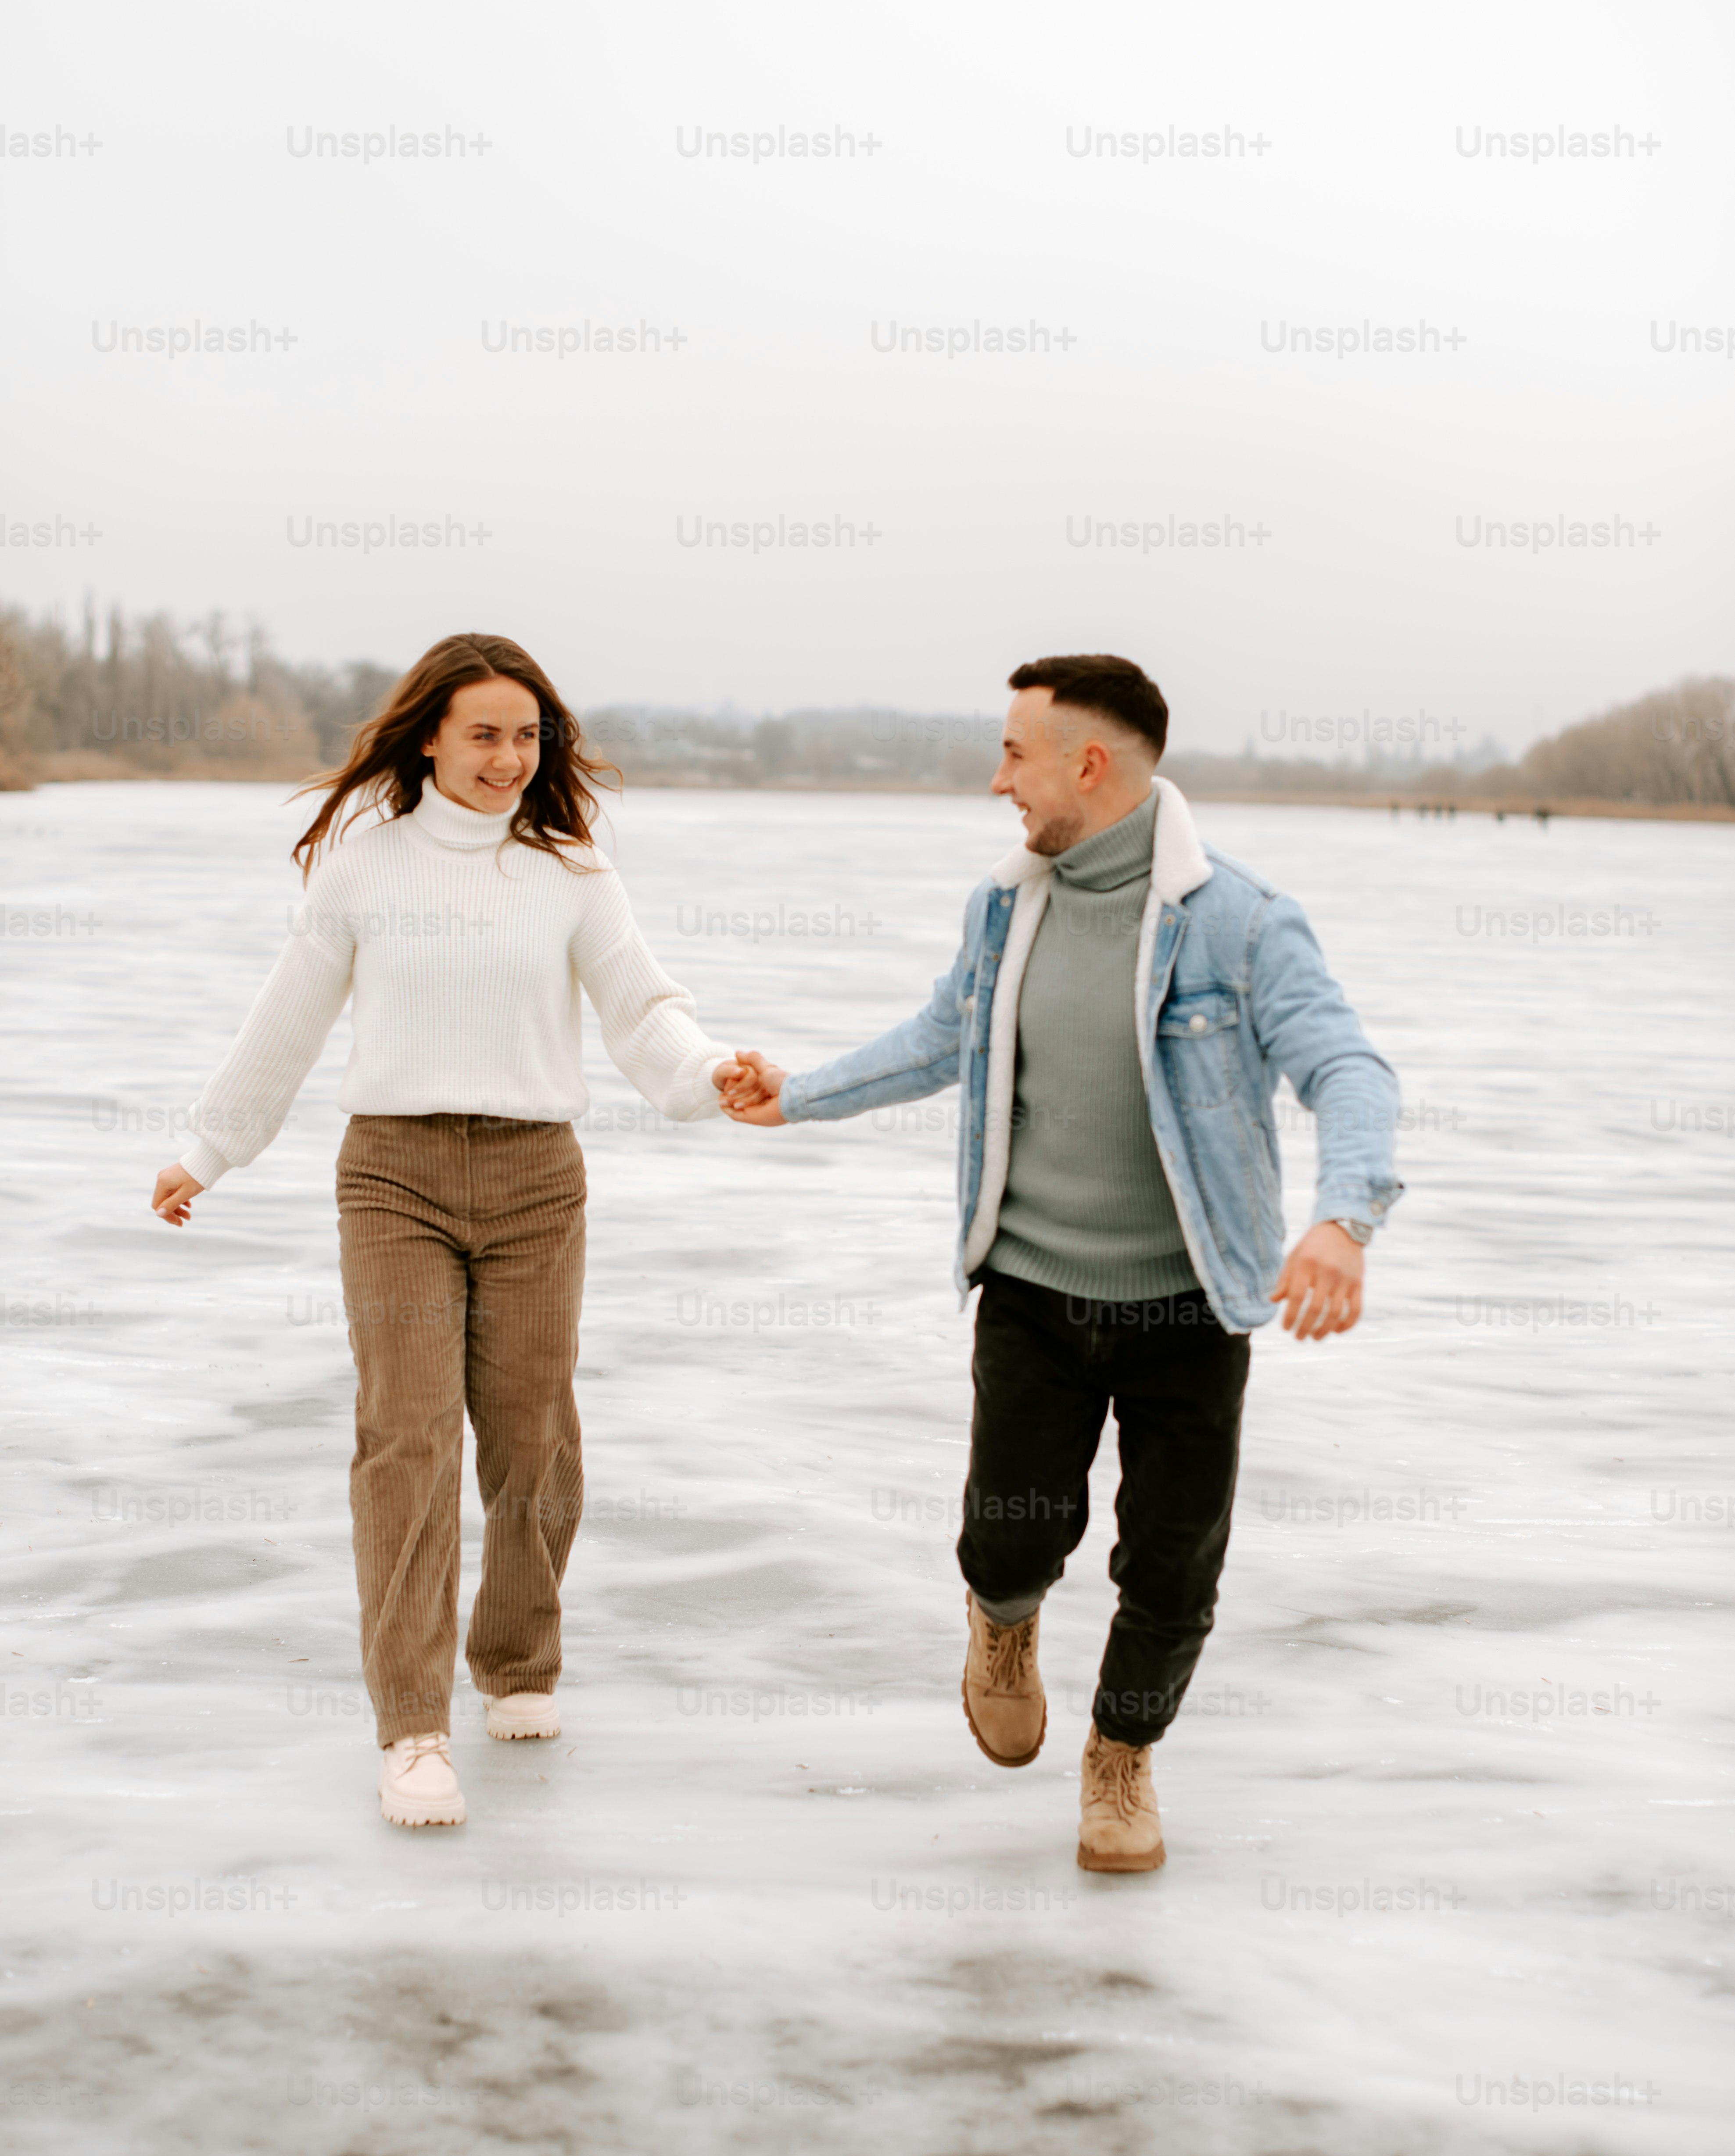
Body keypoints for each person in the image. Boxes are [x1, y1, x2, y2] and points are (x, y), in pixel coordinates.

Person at [719, 654, 1402, 1876]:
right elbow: (945, 1034)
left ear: (1088, 763)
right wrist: (800, 1095)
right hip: (1031, 1290)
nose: (997, 781)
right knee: (1005, 1535)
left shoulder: (1239, 921)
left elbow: (1347, 1070)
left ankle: (1120, 1757)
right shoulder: (1003, 905)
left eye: (1013, 755)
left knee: (1171, 1562)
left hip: (1192, 1305)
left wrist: (1342, 1218)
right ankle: (1002, 1623)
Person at [153, 634, 746, 1829]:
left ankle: (517, 1662)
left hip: (537, 1178)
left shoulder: (570, 868)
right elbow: (289, 1020)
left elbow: (641, 1007)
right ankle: (412, 1724)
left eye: (525, 736)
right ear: (429, 734)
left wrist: (710, 1074)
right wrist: (208, 1149)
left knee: (534, 1438)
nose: (507, 757)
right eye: (483, 732)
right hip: (395, 1177)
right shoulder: (364, 868)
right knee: (405, 1436)